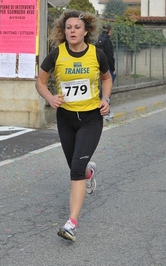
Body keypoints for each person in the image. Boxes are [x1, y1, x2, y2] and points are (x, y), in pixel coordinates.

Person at [35, 10, 112, 242]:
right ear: (63, 30)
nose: (72, 31)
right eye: (69, 27)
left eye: (77, 27)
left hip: (91, 118)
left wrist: (105, 99)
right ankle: (89, 172)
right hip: (66, 119)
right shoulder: (56, 54)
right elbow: (40, 81)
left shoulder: (96, 54)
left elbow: (107, 78)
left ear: (86, 31)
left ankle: (71, 224)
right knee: (76, 167)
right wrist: (50, 98)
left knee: (75, 171)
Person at [96, 24, 115, 119]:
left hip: (97, 67)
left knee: (99, 89)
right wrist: (113, 68)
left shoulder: (98, 39)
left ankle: (100, 110)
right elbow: (109, 57)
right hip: (106, 68)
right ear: (109, 31)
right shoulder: (107, 41)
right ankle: (105, 112)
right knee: (107, 90)